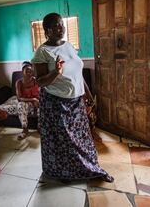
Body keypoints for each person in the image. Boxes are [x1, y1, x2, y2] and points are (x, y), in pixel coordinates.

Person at [32, 12, 113, 182]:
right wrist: (55, 72)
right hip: (56, 104)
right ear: (47, 30)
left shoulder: (68, 46)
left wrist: (88, 95)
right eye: (55, 26)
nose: (60, 28)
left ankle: (88, 167)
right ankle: (62, 172)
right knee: (64, 142)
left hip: (76, 102)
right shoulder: (42, 51)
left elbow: (78, 74)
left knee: (81, 138)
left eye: (61, 24)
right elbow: (40, 82)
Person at [0, 61, 40, 140]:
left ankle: (40, 127)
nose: (29, 73)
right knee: (20, 105)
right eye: (27, 71)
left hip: (36, 103)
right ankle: (25, 129)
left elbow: (41, 94)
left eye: (31, 71)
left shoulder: (36, 81)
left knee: (43, 106)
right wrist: (33, 99)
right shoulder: (19, 82)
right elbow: (19, 98)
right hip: (26, 103)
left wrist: (37, 100)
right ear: (22, 72)